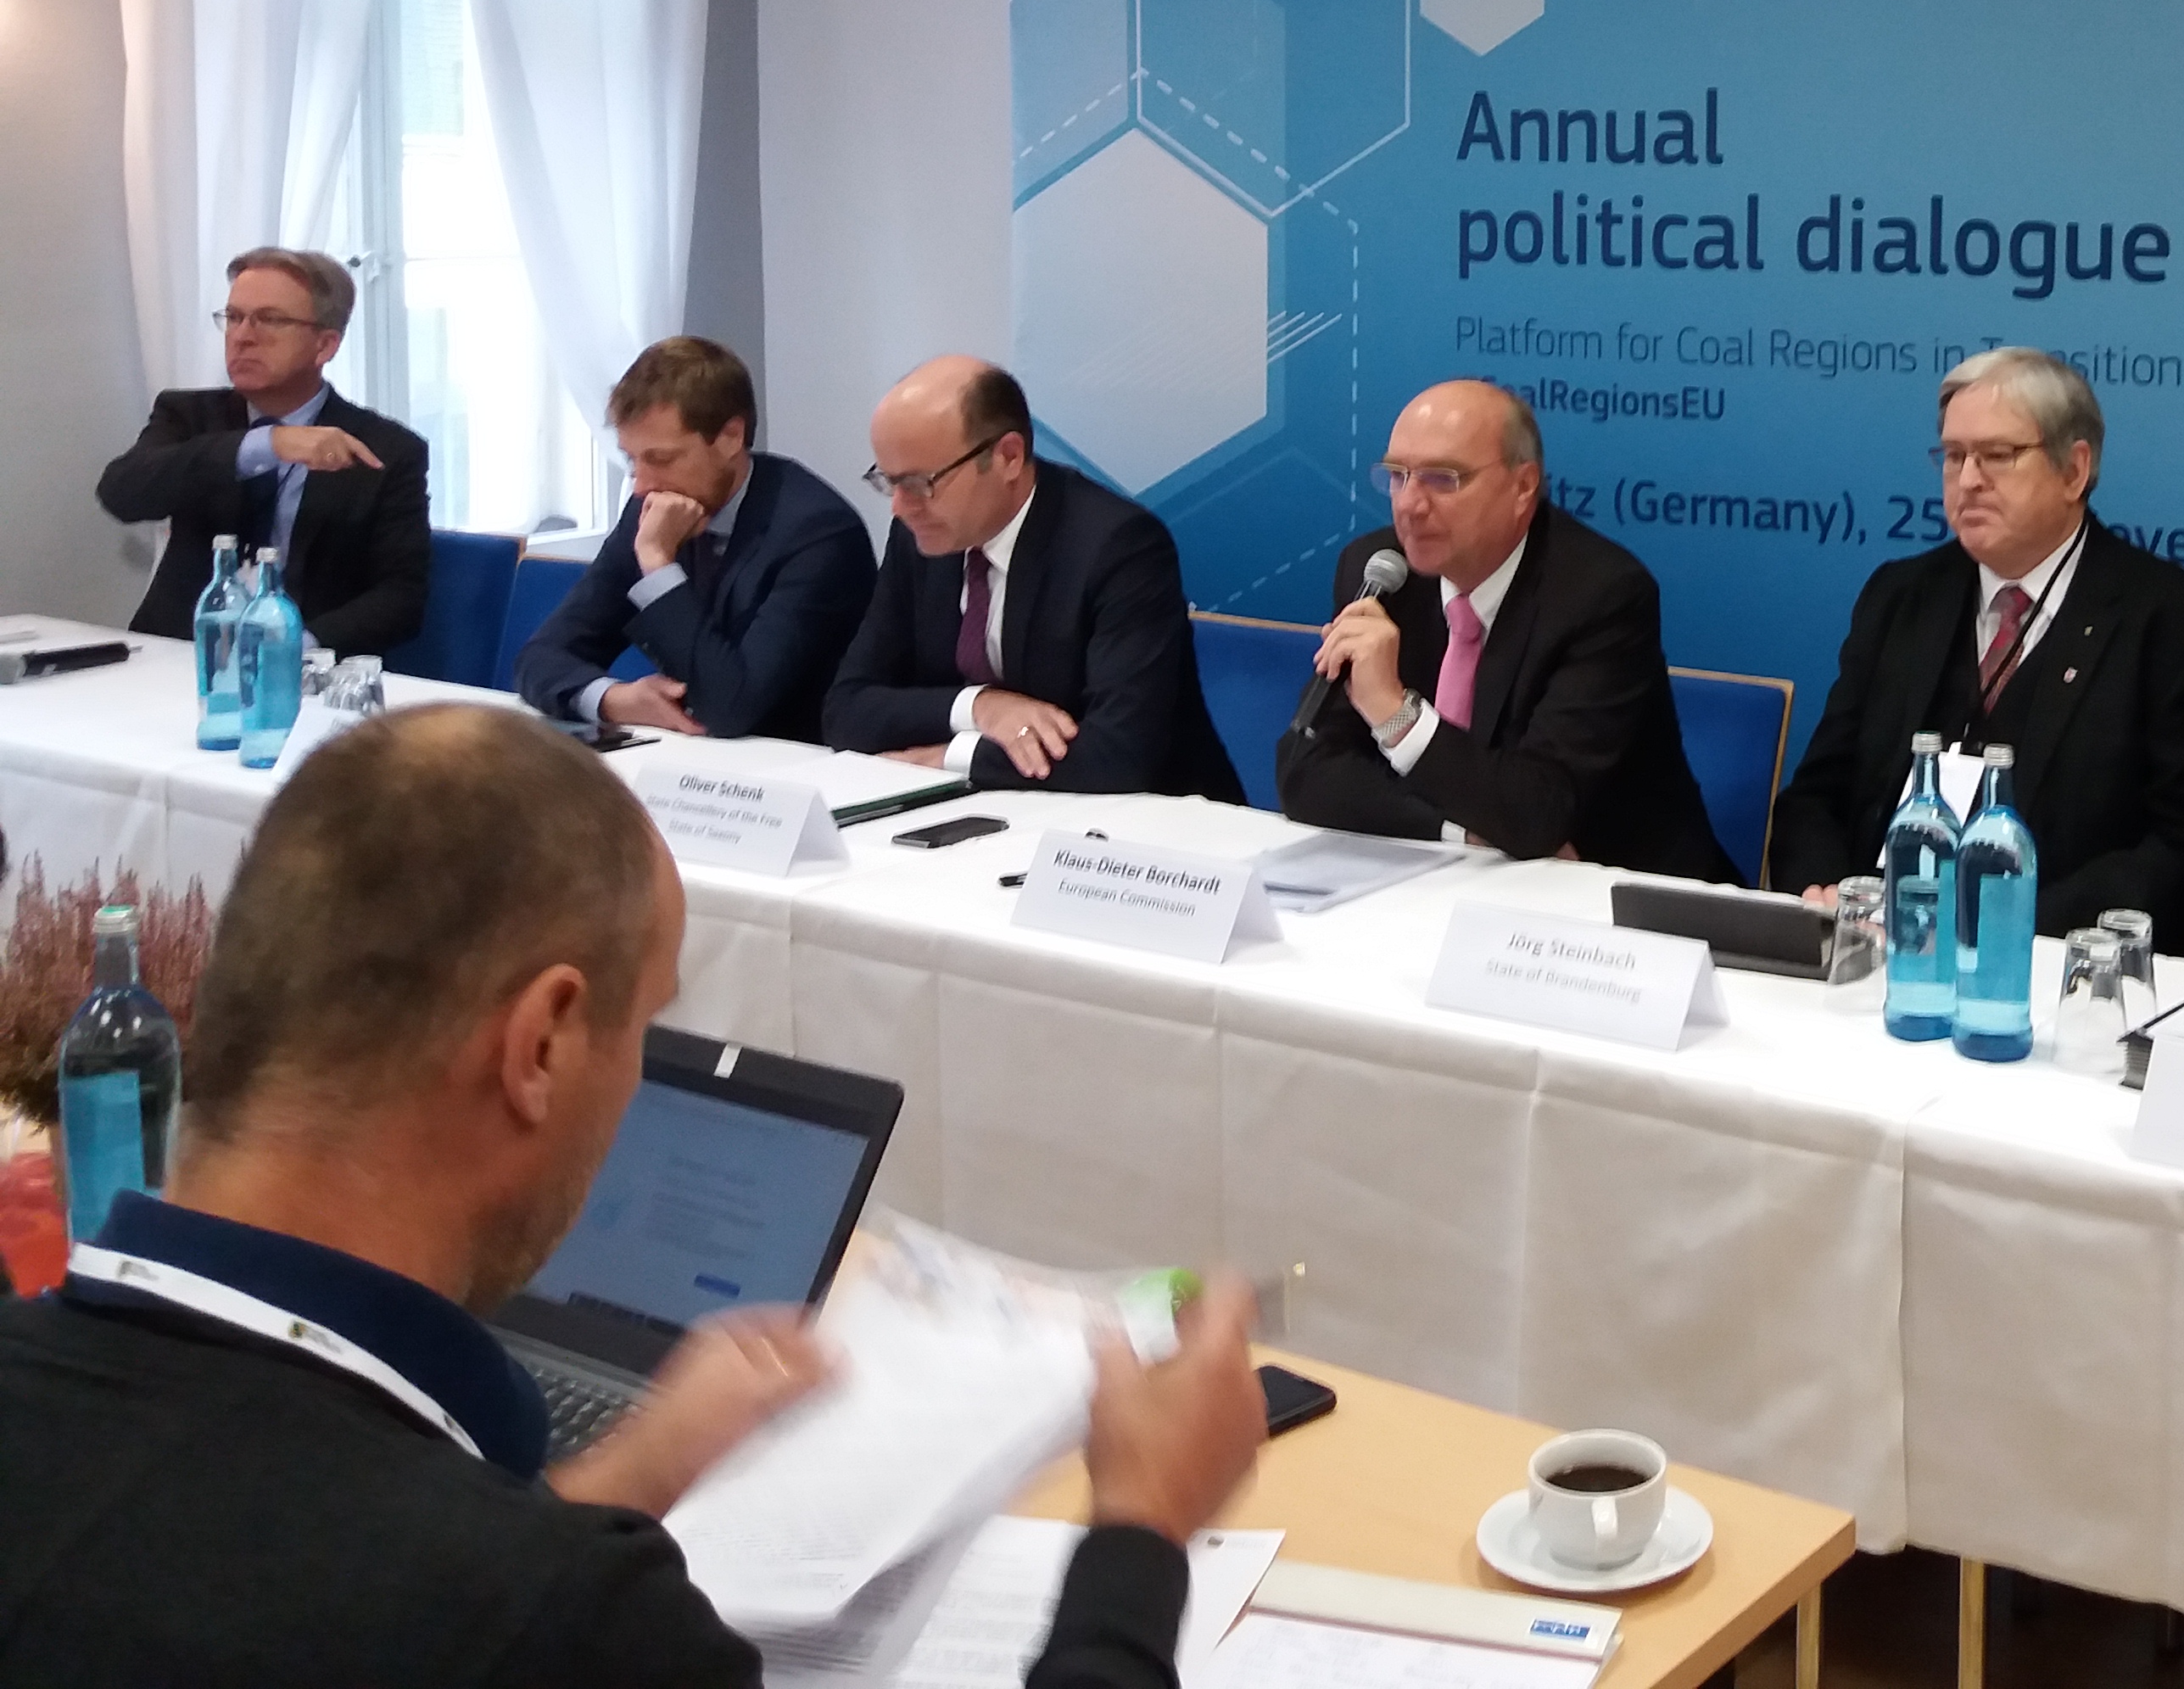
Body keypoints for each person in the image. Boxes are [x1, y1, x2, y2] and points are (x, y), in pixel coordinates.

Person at [0, 704, 1267, 1686]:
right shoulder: (567, 1625)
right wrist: (1139, 1535)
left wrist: (638, 1467)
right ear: (543, 1045)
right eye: (643, 1029)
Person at [1768, 348, 2184, 956]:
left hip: (2061, 964)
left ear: (2074, 470)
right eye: (1953, 456)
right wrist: (1830, 894)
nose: (1969, 479)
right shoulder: (1901, 597)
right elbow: (1817, 795)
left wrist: (1992, 930)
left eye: (1997, 455)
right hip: (1878, 951)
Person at [1276, 379, 1729, 879]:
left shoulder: (1601, 596)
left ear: (1523, 486)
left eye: (1442, 479)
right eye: (1397, 476)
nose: (1409, 505)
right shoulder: (1378, 573)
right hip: (1450, 879)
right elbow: (1305, 768)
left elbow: (1538, 813)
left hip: (1613, 894)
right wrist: (1460, 833)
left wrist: (1394, 712)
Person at [823, 358, 1239, 798]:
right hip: (996, 808)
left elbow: (1118, 755)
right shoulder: (920, 537)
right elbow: (846, 709)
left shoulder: (1117, 547)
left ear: (1008, 457)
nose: (900, 507)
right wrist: (980, 707)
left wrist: (950, 756)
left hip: (1146, 824)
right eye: (888, 482)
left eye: (920, 483)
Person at [513, 338, 876, 744]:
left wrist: (658, 564)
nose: (641, 486)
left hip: (798, 762)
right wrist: (612, 700)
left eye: (661, 459)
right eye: (632, 460)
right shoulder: (651, 509)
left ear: (731, 437)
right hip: (698, 759)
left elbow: (732, 706)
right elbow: (539, 656)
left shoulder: (818, 534)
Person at [98, 246, 431, 660]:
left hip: (300, 665)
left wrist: (292, 645)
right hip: (177, 656)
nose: (242, 336)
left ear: (325, 346)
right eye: (234, 317)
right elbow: (122, 492)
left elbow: (401, 597)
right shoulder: (188, 415)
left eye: (269, 320)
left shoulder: (385, 449)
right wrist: (266, 444)